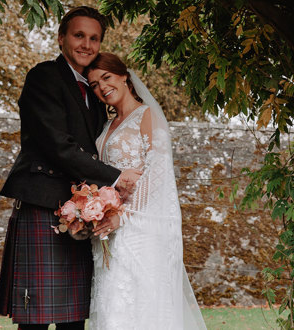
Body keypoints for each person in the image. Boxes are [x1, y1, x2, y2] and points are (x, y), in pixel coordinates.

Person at [0, 7, 141, 330]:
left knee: (74, 319)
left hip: (84, 211)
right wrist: (116, 177)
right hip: (44, 204)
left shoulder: (95, 90)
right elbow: (58, 146)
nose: (87, 44)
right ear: (62, 38)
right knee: (35, 320)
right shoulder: (44, 76)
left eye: (94, 38)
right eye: (79, 35)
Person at [86, 53, 207, 329]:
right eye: (94, 84)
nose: (102, 87)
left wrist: (123, 215)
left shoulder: (147, 115)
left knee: (139, 307)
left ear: (124, 76)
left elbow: (158, 173)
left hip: (139, 229)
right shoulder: (106, 126)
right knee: (112, 306)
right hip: (109, 232)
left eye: (106, 77)